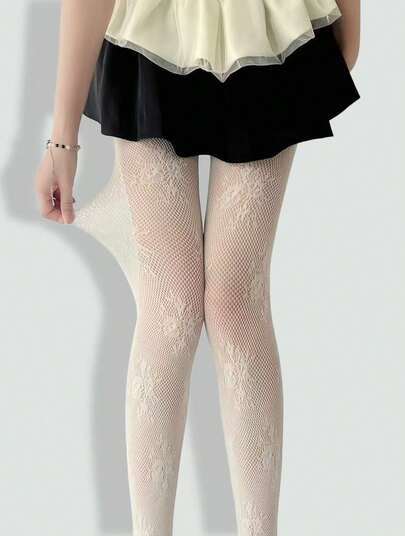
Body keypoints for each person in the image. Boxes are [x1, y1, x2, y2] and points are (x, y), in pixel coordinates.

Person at [34, 1, 361, 535]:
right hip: (154, 27)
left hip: (264, 25)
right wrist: (62, 136)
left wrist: (349, 10)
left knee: (236, 303)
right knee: (174, 305)